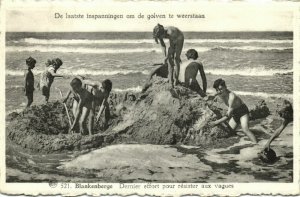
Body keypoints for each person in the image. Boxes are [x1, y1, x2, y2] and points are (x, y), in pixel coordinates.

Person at [208, 79, 257, 143]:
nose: (219, 91)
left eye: (220, 89)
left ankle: (257, 145)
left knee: (245, 129)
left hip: (243, 112)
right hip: (235, 113)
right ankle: (249, 132)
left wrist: (216, 122)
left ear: (225, 87)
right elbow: (210, 96)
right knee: (229, 131)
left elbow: (228, 115)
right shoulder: (219, 93)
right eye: (217, 90)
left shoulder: (231, 96)